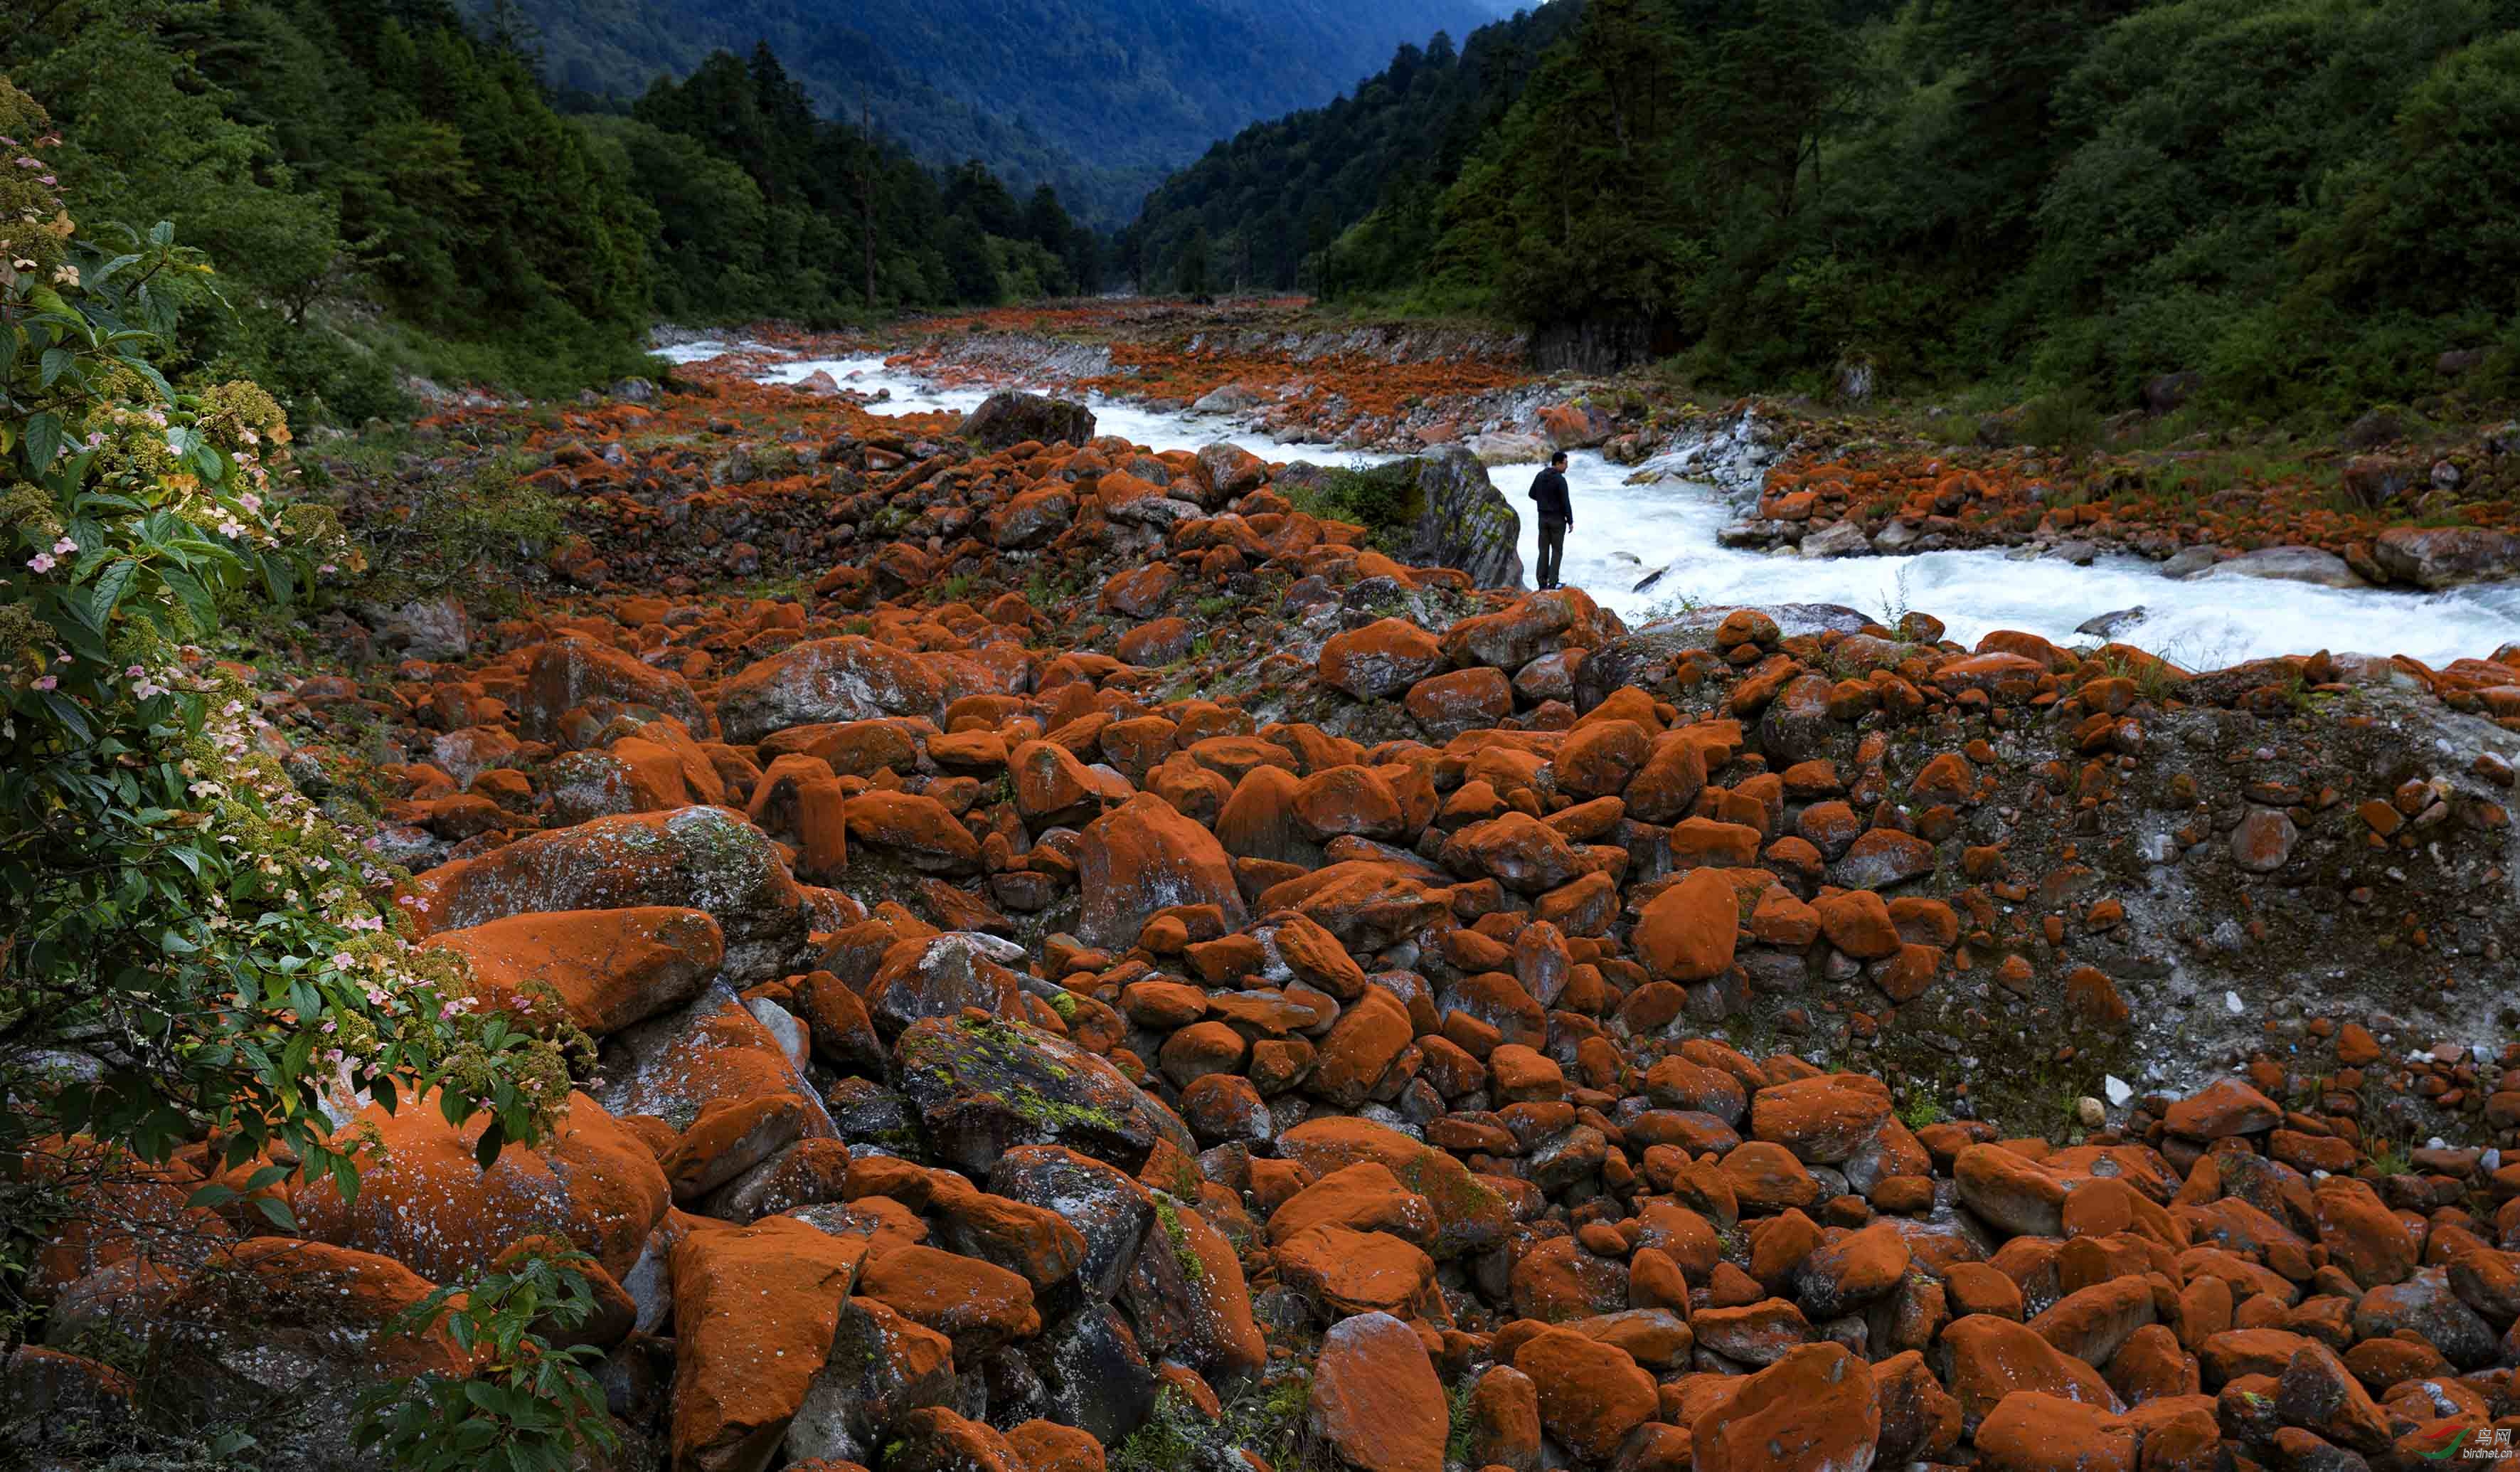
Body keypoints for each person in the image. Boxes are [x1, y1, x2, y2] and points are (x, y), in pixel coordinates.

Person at [1529, 450, 1572, 590]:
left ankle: (1542, 584)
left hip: (1542, 519)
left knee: (1543, 551)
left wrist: (1543, 501)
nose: (1566, 466)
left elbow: (1531, 494)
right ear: (1558, 463)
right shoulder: (1560, 480)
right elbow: (1566, 502)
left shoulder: (1540, 476)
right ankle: (1553, 583)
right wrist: (1570, 520)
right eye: (1565, 463)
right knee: (1557, 551)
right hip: (1557, 521)